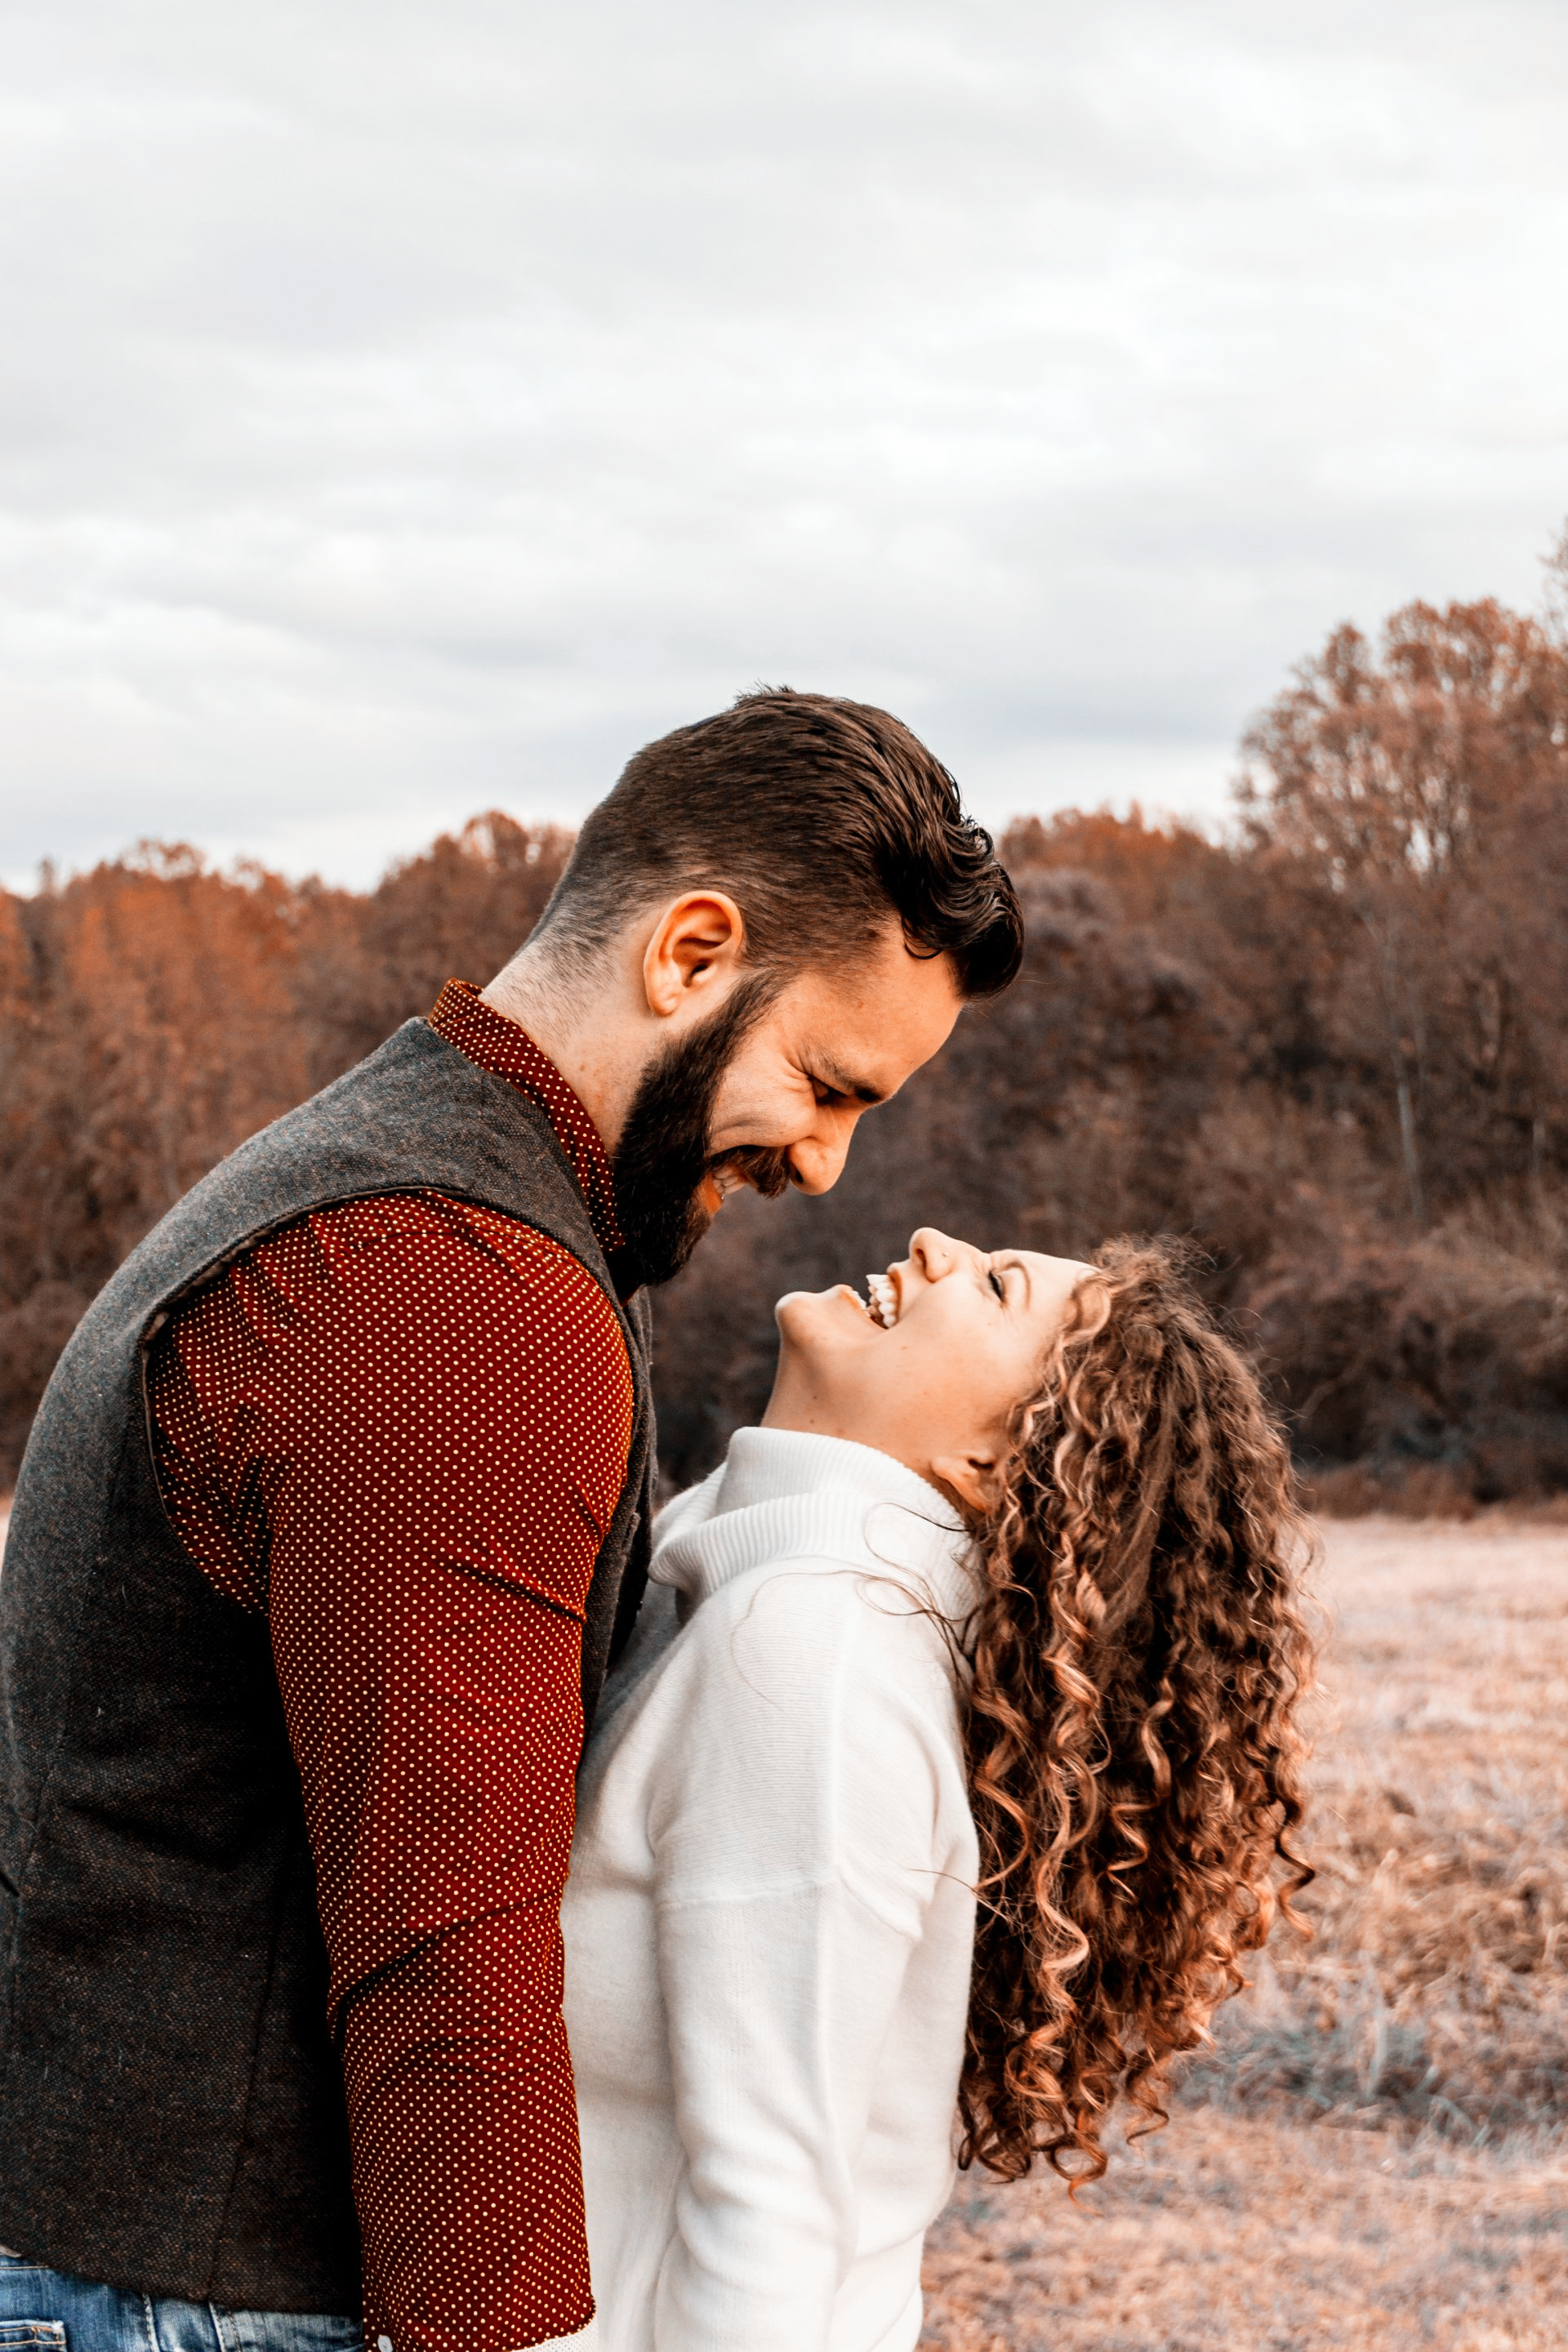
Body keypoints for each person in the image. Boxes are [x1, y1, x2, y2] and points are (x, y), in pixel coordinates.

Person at [0, 692, 1022, 2352]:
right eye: (829, 1083)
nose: (829, 1166)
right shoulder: (449, 1291)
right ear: (692, 952)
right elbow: (446, 1950)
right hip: (190, 2299)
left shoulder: (415, 1194)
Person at [546, 1227, 1313, 2351]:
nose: (933, 1244)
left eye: (999, 1287)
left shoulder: (815, 1652)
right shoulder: (740, 1581)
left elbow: (773, 2206)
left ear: (995, 1464)